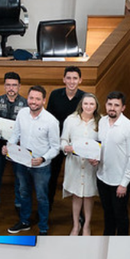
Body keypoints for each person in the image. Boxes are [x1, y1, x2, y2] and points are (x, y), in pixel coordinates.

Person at [4, 85, 60, 235]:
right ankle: (24, 222)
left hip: (41, 166)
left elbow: (56, 147)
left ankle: (43, 227)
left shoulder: (51, 121)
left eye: (37, 99)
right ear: (27, 98)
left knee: (42, 197)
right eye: (31, 98)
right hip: (22, 163)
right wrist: (8, 146)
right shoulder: (22, 113)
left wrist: (42, 159)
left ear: (44, 101)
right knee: (23, 193)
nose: (34, 101)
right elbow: (15, 135)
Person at [96, 92, 130, 236]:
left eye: (116, 105)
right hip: (102, 177)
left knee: (120, 216)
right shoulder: (102, 121)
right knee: (107, 213)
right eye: (110, 104)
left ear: (123, 108)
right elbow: (100, 146)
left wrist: (124, 183)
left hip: (119, 182)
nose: (112, 108)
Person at [0, 72, 28, 216]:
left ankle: (18, 203)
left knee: (19, 176)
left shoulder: (26, 104)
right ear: (4, 86)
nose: (11, 88)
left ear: (19, 86)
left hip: (18, 146)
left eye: (14, 85)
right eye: (8, 85)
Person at [61, 93, 101, 235]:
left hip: (91, 166)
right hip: (75, 164)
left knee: (89, 195)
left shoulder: (100, 122)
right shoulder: (71, 120)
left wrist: (98, 157)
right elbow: (64, 140)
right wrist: (66, 147)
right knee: (77, 195)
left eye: (91, 104)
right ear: (81, 105)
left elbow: (103, 145)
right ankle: (76, 224)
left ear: (96, 106)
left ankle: (87, 226)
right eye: (86, 104)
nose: (88, 106)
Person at [46, 66, 85, 209]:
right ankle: (47, 206)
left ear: (80, 80)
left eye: (75, 78)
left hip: (76, 144)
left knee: (78, 177)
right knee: (52, 176)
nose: (71, 81)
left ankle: (78, 213)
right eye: (68, 78)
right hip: (56, 142)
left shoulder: (84, 98)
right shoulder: (55, 95)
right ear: (63, 79)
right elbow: (49, 119)